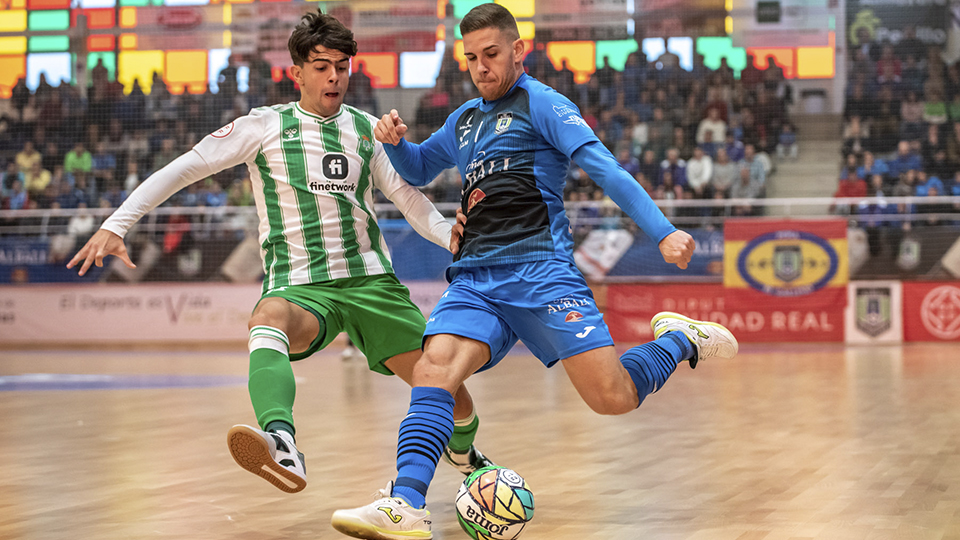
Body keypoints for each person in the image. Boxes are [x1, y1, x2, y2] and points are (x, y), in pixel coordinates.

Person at [330, 5, 739, 539]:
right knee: (434, 372)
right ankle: (405, 504)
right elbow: (420, 168)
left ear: (518, 50)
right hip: (475, 278)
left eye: (492, 55)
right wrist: (396, 142)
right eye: (472, 58)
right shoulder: (466, 119)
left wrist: (663, 231)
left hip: (542, 274)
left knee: (611, 398)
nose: (481, 67)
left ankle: (678, 341)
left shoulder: (544, 104)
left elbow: (606, 170)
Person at [66, 10, 494, 496]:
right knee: (266, 315)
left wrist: (450, 236)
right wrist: (116, 224)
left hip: (372, 283)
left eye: (342, 65)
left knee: (447, 386)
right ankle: (282, 443)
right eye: (320, 65)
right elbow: (185, 169)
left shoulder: (367, 130)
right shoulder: (264, 126)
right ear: (297, 72)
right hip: (299, 286)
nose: (334, 76)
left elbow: (411, 202)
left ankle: (465, 454)